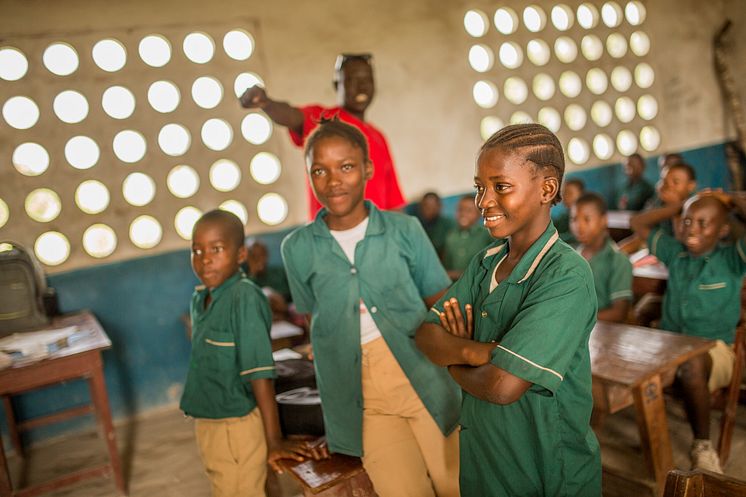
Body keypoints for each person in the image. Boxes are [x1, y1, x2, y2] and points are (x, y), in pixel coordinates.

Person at [415, 123, 601, 496]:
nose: (484, 200)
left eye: (500, 186)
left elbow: (503, 386)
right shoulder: (485, 263)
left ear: (547, 189)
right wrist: (475, 352)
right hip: (485, 462)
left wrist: (452, 360)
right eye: (479, 187)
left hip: (545, 470)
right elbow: (426, 335)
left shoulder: (566, 274)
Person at [281, 119, 461, 497]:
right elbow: (317, 319)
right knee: (401, 490)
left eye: (346, 166)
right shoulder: (297, 248)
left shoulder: (405, 230)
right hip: (361, 399)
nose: (333, 181)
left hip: (423, 375)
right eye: (320, 170)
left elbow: (440, 303)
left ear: (367, 169)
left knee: (458, 482)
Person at [180, 210, 316, 497]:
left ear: (241, 255)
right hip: (208, 421)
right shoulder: (200, 298)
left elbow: (260, 374)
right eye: (196, 250)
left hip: (236, 425)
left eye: (216, 249)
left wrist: (274, 439)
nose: (204, 258)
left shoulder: (244, 297)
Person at [630, 192, 746, 473]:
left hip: (714, 351)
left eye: (703, 223)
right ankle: (650, 434)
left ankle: (702, 445)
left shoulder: (732, 260)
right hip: (670, 345)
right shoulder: (676, 254)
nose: (692, 228)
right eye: (687, 221)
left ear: (723, 230)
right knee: (630, 355)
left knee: (692, 364)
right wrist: (680, 205)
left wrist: (734, 201)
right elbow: (638, 222)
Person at [239, 53, 405, 217]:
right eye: (352, 80)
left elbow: (394, 202)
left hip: (376, 238)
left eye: (367, 80)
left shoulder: (378, 137)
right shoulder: (325, 120)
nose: (361, 86)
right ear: (336, 85)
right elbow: (291, 116)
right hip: (330, 237)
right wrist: (266, 103)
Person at [571, 192, 633, 323]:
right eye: (574, 219)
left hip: (602, 332)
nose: (579, 226)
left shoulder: (618, 261)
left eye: (587, 219)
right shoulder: (570, 256)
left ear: (603, 220)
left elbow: (619, 313)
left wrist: (576, 320)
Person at [443, 194, 493, 279]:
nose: (463, 214)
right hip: (456, 286)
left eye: (469, 211)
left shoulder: (487, 234)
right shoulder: (451, 236)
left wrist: (456, 274)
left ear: (479, 214)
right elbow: (447, 266)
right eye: (460, 210)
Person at [417, 191, 455, 258]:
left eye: (432, 206)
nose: (428, 210)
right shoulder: (417, 224)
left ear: (439, 207)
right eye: (425, 206)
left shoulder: (448, 224)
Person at [553, 177, 585, 244]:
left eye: (570, 193)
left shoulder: (583, 216)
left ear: (581, 194)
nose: (565, 196)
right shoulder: (563, 216)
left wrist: (555, 238)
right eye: (564, 193)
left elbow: (576, 237)